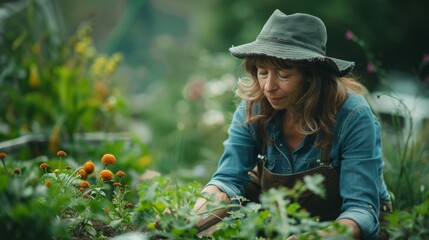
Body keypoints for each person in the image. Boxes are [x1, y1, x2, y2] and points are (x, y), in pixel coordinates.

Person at [186, 9, 392, 239]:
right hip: (281, 219)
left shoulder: (353, 117)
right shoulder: (254, 108)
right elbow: (228, 180)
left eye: (283, 75)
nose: (268, 87)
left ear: (312, 77)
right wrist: (191, 219)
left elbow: (361, 210)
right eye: (262, 73)